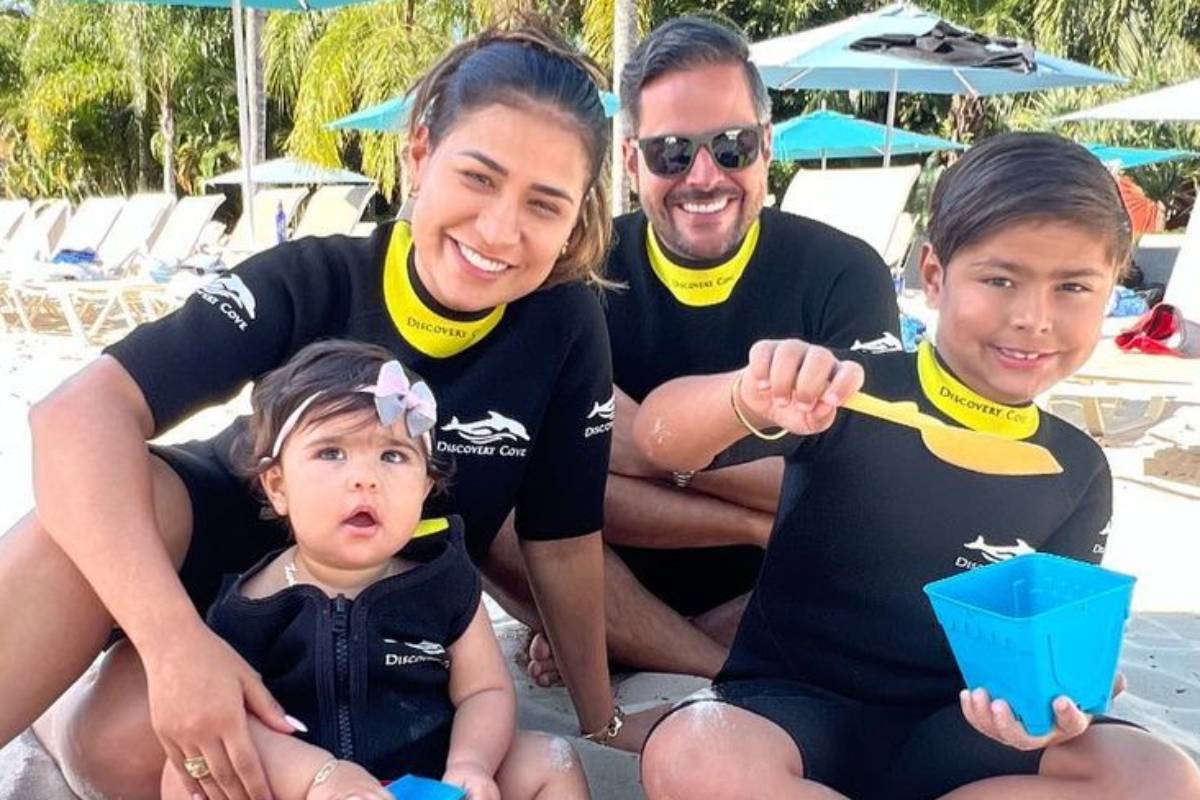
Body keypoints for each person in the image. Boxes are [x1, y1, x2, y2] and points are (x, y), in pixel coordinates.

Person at [0, 21, 636, 800]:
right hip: (218, 564)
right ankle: (57, 707)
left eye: (544, 204)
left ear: (577, 217)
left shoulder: (565, 325)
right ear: (419, 153)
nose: (500, 229)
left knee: (174, 754)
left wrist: (599, 718)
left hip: (380, 622)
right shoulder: (315, 276)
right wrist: (174, 644)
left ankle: (80, 705)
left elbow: (564, 544)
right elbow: (71, 414)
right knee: (125, 738)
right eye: (478, 177)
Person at [635, 133, 1200, 799]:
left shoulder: (1076, 470)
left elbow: (1049, 656)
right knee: (689, 750)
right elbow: (660, 438)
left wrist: (1051, 707)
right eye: (999, 279)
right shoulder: (849, 391)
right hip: (792, 711)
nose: (1033, 318)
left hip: (960, 734)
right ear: (933, 276)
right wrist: (744, 396)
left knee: (1159, 776)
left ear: (1111, 292)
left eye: (1074, 286)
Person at [509, 15, 902, 685]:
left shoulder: (842, 271)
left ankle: (643, 643)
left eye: (731, 146)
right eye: (670, 152)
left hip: (784, 589)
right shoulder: (580, 270)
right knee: (508, 489)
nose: (704, 175)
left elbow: (867, 494)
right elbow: (553, 478)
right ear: (631, 162)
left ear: (767, 147)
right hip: (613, 573)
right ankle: (708, 663)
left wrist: (657, 449)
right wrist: (756, 515)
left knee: (874, 528)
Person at [156, 340, 590, 800]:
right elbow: (236, 723)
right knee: (185, 779)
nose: (365, 478)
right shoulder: (249, 606)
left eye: (393, 456)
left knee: (549, 759)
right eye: (331, 453)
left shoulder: (442, 581)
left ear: (425, 488)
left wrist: (471, 763)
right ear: (278, 486)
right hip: (309, 789)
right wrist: (319, 777)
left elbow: (484, 691)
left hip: (428, 781)